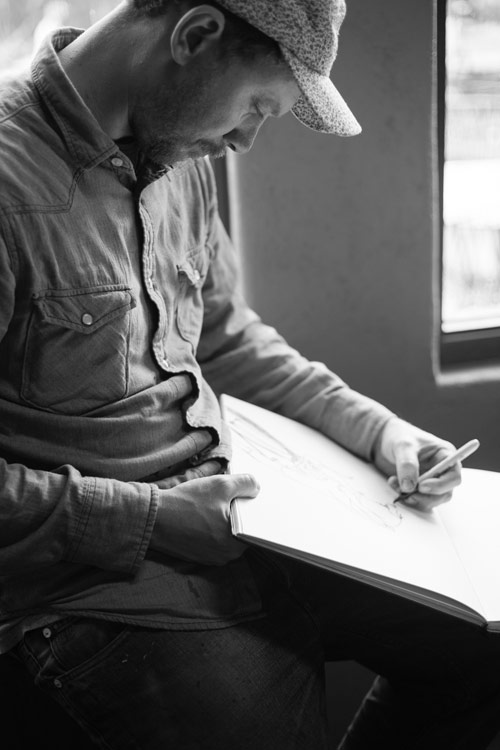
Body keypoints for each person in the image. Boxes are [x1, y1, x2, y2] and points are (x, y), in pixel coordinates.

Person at [0, 1, 499, 748]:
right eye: (258, 106)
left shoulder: (175, 155)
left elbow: (227, 339)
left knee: (485, 647)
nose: (244, 140)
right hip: (90, 587)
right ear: (195, 35)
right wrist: (153, 520)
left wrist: (381, 433)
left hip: (243, 525)